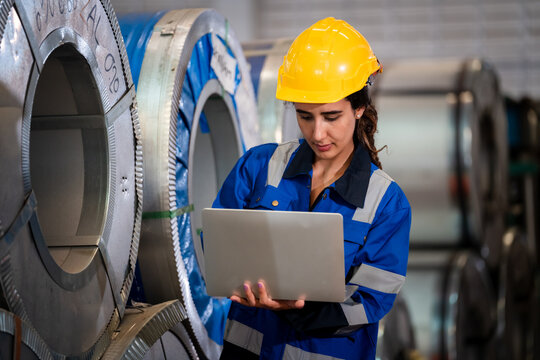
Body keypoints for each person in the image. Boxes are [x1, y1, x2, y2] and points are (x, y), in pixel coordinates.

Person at [212, 17, 411, 360]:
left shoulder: (387, 204)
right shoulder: (259, 167)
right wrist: (237, 283)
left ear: (359, 108)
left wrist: (294, 308)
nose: (317, 134)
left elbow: (373, 299)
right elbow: (215, 246)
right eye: (305, 116)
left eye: (331, 117)